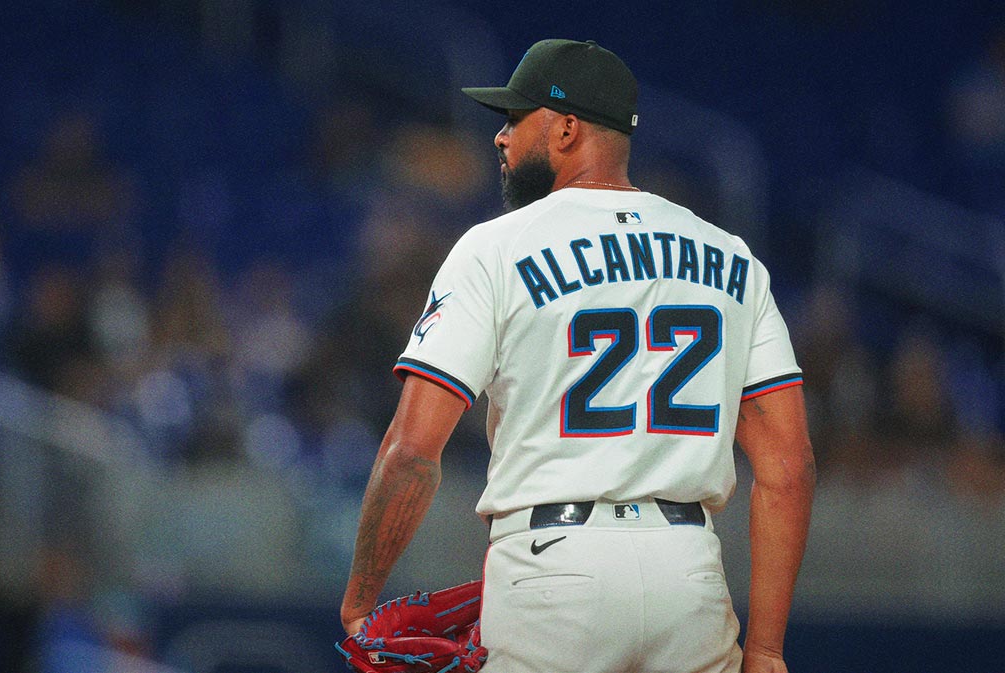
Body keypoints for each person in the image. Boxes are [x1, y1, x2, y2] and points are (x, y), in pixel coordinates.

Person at [339, 38, 814, 673]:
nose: (501, 139)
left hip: (552, 571)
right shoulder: (732, 259)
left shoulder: (496, 248)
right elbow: (788, 467)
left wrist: (360, 603)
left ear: (566, 128)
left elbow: (412, 451)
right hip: (689, 577)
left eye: (515, 119)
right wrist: (765, 649)